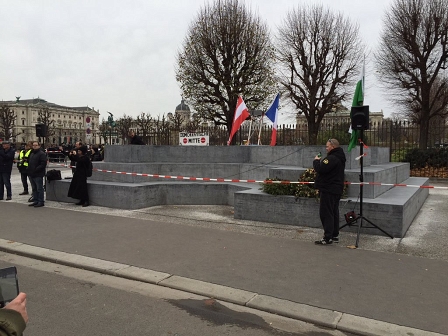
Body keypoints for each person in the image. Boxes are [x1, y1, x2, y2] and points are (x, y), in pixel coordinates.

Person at [312, 138, 346, 245]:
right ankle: (334, 234)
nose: (326, 148)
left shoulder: (332, 158)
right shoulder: (340, 157)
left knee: (326, 213)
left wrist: (316, 161)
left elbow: (321, 169)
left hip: (329, 189)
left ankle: (327, 237)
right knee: (333, 212)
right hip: (336, 189)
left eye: (327, 146)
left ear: (333, 146)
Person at [27, 141, 47, 208]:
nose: (34, 146)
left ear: (39, 146)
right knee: (34, 188)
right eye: (33, 145)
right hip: (31, 173)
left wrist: (36, 169)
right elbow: (29, 162)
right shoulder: (32, 153)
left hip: (38, 174)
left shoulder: (41, 154)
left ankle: (41, 201)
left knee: (39, 188)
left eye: (36, 145)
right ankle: (35, 200)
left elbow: (43, 164)